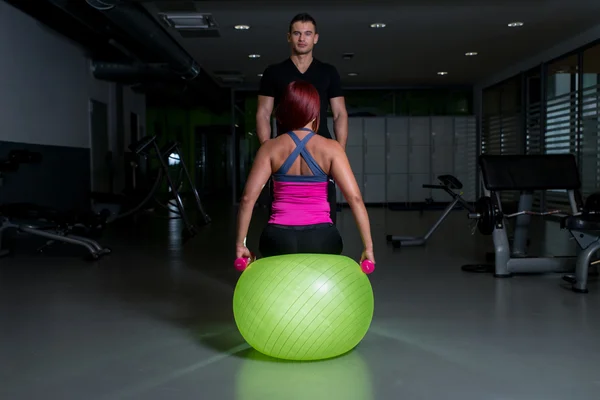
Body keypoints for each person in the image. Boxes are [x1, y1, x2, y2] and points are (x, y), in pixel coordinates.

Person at [235, 80, 374, 265]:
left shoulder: (270, 148)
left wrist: (240, 245)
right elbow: (355, 198)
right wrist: (368, 248)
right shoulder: (331, 149)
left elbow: (247, 199)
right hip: (322, 238)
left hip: (278, 238)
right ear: (315, 111)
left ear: (284, 111)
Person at [256, 12, 349, 225]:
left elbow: (340, 113)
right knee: (281, 214)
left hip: (321, 152)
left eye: (307, 34)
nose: (302, 38)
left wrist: (339, 152)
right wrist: (267, 149)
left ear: (315, 38)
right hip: (284, 151)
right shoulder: (274, 72)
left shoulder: (328, 72)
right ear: (289, 36)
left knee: (325, 216)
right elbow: (262, 113)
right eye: (297, 33)